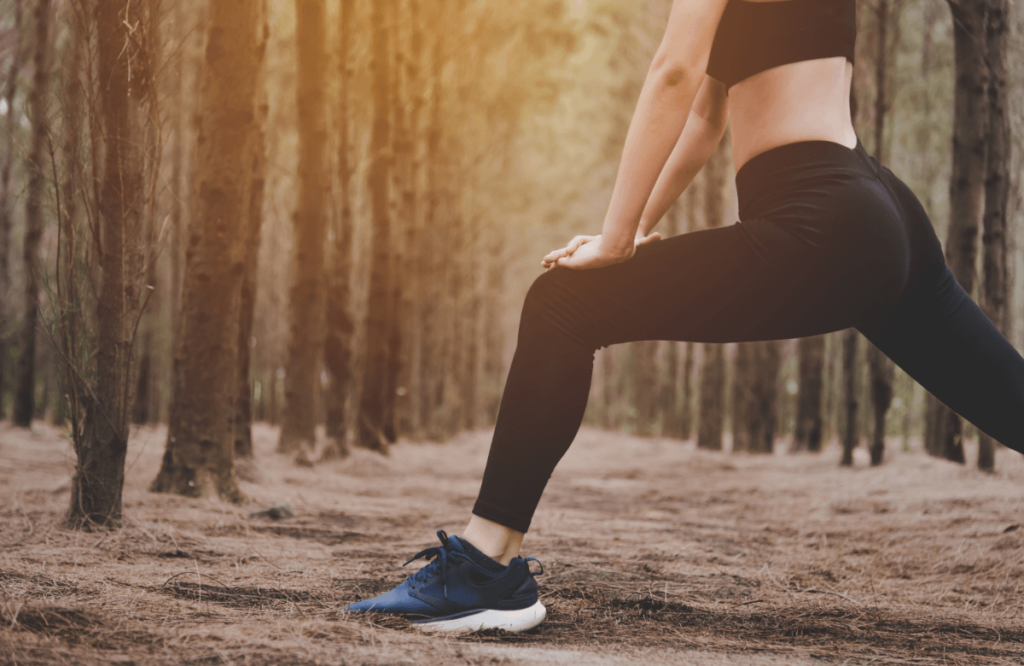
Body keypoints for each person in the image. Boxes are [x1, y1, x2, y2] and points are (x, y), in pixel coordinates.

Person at [345, 0, 1024, 634]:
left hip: (822, 215)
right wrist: (635, 231)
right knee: (1004, 395)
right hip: (879, 207)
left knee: (560, 304)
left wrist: (612, 241)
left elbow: (674, 73)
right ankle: (484, 568)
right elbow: (705, 119)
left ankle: (485, 568)